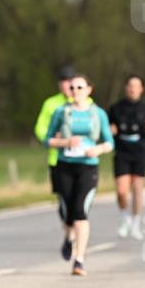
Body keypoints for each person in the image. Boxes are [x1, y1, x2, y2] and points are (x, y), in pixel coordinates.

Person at [43, 73, 114, 275]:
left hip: (88, 166)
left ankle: (79, 260)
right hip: (65, 165)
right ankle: (68, 238)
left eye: (79, 88)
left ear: (89, 90)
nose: (75, 92)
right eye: (72, 88)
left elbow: (110, 141)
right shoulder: (61, 112)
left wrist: (98, 150)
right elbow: (47, 140)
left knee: (81, 211)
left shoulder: (97, 113)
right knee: (67, 213)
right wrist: (66, 143)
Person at [108, 75, 145, 240]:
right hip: (122, 152)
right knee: (121, 190)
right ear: (126, 88)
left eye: (136, 86)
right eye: (130, 86)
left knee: (137, 188)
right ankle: (125, 218)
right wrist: (111, 131)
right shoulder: (116, 108)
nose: (132, 89)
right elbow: (106, 129)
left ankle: (136, 223)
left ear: (141, 89)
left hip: (139, 152)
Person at [35, 66, 77, 259]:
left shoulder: (86, 103)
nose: (67, 85)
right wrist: (53, 137)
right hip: (58, 160)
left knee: (79, 202)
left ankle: (75, 233)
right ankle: (70, 235)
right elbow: (41, 129)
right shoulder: (51, 104)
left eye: (70, 81)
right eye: (63, 81)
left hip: (83, 160)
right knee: (64, 203)